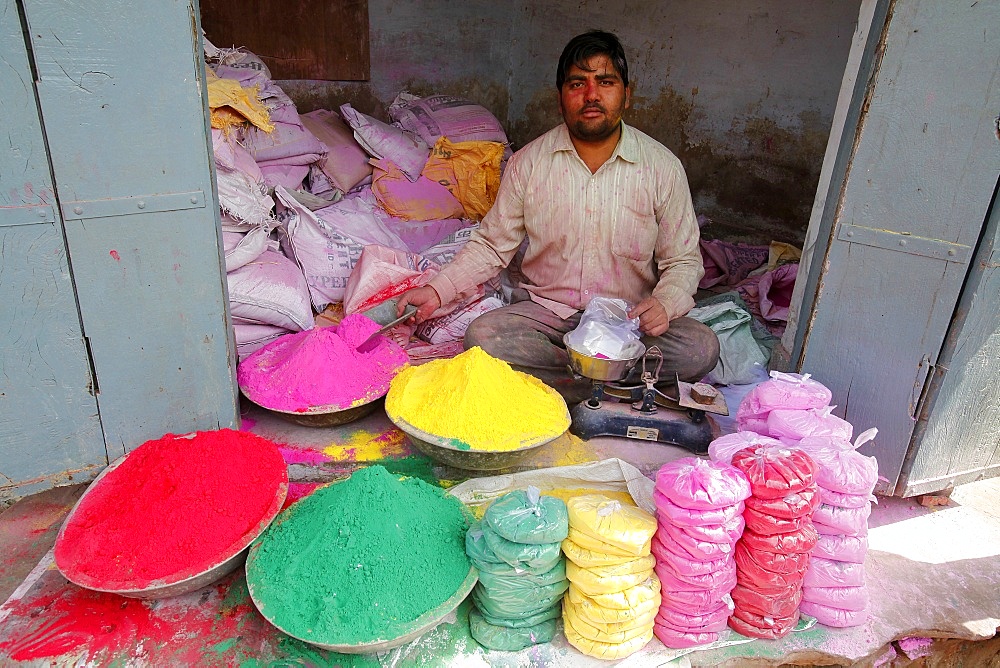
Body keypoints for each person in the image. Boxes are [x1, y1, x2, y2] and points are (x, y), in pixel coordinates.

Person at [397, 30, 719, 404]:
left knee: (700, 348)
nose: (592, 95)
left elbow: (683, 260)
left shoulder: (662, 167)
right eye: (577, 84)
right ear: (560, 98)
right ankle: (613, 385)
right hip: (550, 318)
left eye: (605, 82)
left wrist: (665, 304)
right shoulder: (528, 164)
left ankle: (565, 386)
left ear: (626, 96)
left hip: (628, 323)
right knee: (483, 338)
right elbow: (492, 245)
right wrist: (438, 291)